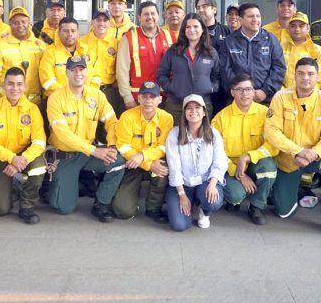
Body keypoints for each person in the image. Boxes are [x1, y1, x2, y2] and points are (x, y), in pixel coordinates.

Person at [264, 57, 321, 238]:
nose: (305, 78)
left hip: (316, 156)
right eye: (301, 73)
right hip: (289, 158)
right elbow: (271, 131)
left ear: (318, 77)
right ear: (294, 76)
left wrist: (312, 153)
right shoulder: (280, 98)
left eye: (310, 74)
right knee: (283, 212)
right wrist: (297, 151)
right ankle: (298, 190)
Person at [46, 55, 123, 222]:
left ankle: (101, 203)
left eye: (81, 69)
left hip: (87, 154)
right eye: (73, 70)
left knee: (118, 161)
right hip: (65, 157)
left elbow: (112, 121)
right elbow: (62, 134)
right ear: (66, 73)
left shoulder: (97, 95)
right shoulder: (56, 98)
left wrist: (112, 146)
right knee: (64, 208)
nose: (78, 73)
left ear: (86, 72)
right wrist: (94, 151)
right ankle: (51, 185)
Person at [0, 67, 47, 224]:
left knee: (39, 167)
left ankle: (27, 205)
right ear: (3, 85)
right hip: (0, 157)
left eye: (19, 84)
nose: (15, 88)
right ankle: (12, 189)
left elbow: (39, 142)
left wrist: (20, 161)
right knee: (1, 210)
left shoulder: (32, 110)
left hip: (25, 156)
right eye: (10, 84)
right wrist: (12, 159)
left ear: (25, 86)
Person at [212, 74, 278, 225]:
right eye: (239, 89)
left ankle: (256, 206)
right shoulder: (220, 118)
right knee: (235, 195)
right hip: (229, 167)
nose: (245, 93)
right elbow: (215, 152)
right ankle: (234, 199)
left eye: (248, 89)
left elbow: (273, 145)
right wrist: (239, 174)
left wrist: (248, 156)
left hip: (255, 163)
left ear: (254, 91)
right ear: (232, 92)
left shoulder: (265, 113)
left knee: (268, 167)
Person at [165, 94, 227, 231]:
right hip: (182, 185)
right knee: (180, 225)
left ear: (204, 112)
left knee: (213, 202)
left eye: (197, 107)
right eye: (189, 108)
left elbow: (220, 161)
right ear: (184, 113)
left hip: (205, 182)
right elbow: (174, 167)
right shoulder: (175, 134)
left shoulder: (213, 133)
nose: (193, 111)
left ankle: (204, 211)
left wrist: (212, 184)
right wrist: (182, 195)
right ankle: (189, 201)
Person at [112, 81, 173, 223]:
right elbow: (123, 146)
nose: (148, 101)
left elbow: (163, 147)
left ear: (159, 99)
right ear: (138, 98)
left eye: (152, 97)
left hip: (151, 161)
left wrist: (142, 155)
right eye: (144, 96)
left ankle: (153, 208)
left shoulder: (166, 118)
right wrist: (148, 164)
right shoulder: (127, 116)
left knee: (162, 169)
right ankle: (129, 198)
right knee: (123, 212)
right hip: (132, 164)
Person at [157, 13, 219, 124]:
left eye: (195, 26)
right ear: (183, 30)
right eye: (188, 27)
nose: (192, 30)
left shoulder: (211, 52)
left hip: (202, 104)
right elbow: (161, 74)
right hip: (176, 105)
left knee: (201, 134)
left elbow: (217, 76)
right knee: (176, 134)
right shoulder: (173, 50)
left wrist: (211, 88)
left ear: (202, 29)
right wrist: (172, 87)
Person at [219, 2, 285, 100]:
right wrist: (240, 91)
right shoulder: (229, 41)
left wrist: (265, 91)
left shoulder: (271, 40)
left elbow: (279, 68)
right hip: (237, 99)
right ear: (240, 20)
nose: (255, 19)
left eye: (258, 16)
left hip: (265, 99)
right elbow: (225, 71)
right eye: (251, 16)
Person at [117, 1, 174, 109]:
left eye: (153, 13)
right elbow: (122, 71)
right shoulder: (128, 38)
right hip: (139, 99)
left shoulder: (170, 36)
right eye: (146, 14)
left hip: (165, 97)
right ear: (139, 17)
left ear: (158, 16)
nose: (150, 17)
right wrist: (127, 97)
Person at [0, 6, 46, 105]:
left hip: (34, 104)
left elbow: (45, 73)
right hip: (7, 103)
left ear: (29, 23)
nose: (20, 25)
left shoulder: (40, 45)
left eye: (23, 22)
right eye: (15, 23)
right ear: (10, 24)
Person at [39, 17, 99, 98]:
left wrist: (86, 94)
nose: (70, 34)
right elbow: (47, 81)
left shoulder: (87, 51)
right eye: (66, 31)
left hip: (86, 99)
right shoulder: (50, 53)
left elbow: (96, 77)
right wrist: (69, 95)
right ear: (59, 33)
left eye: (73, 31)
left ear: (78, 33)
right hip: (59, 100)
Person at [84, 9, 123, 116]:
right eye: (98, 20)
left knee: (110, 122)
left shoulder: (116, 43)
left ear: (109, 23)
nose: (101, 23)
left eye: (105, 20)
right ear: (92, 22)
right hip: (87, 91)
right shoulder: (81, 42)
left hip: (109, 91)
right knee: (89, 122)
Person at [281, 12, 321, 90]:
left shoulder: (317, 50)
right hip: (283, 94)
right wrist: (283, 91)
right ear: (288, 28)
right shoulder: (280, 47)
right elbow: (274, 71)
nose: (297, 29)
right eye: (293, 26)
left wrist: (307, 91)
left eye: (301, 26)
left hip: (308, 94)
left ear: (308, 28)